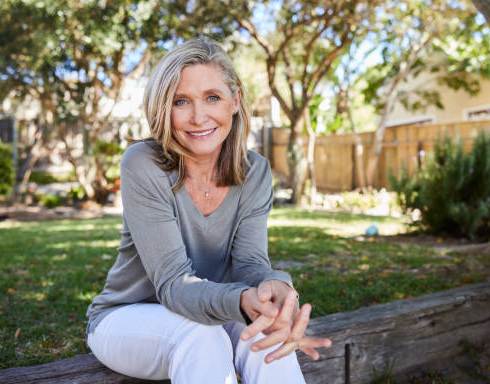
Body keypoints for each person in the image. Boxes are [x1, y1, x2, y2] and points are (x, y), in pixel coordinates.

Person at [86, 37, 331, 383]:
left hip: (214, 311)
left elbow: (250, 265)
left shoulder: (255, 171)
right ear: (163, 108)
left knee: (265, 331)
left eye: (212, 97)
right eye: (181, 101)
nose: (198, 117)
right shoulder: (143, 163)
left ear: (235, 100)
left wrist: (275, 287)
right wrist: (242, 299)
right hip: (128, 317)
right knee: (201, 336)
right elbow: (174, 283)